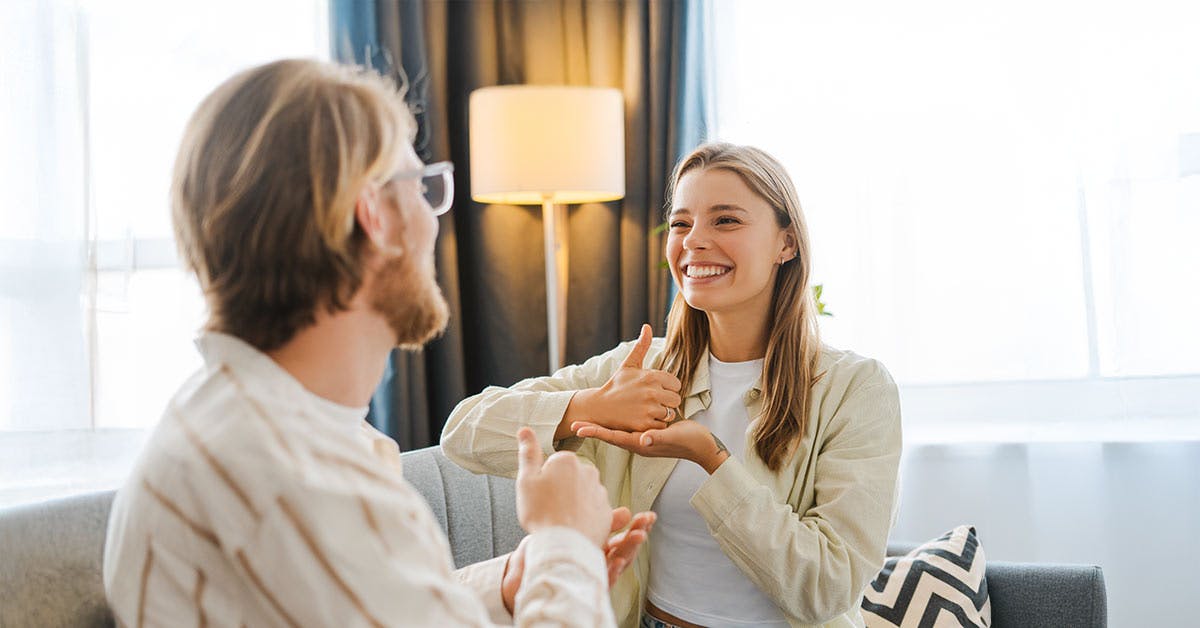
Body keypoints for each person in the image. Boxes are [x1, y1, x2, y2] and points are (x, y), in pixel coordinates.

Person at [102, 58, 655, 627]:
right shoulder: (298, 480)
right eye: (423, 187)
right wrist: (564, 547)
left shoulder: (255, 420)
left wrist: (520, 582)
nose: (435, 220)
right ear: (375, 217)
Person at [441, 143, 902, 628]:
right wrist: (593, 404)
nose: (693, 241)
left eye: (725, 220)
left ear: (786, 243)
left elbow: (828, 586)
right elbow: (462, 433)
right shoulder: (635, 371)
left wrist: (711, 458)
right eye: (681, 223)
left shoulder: (856, 390)